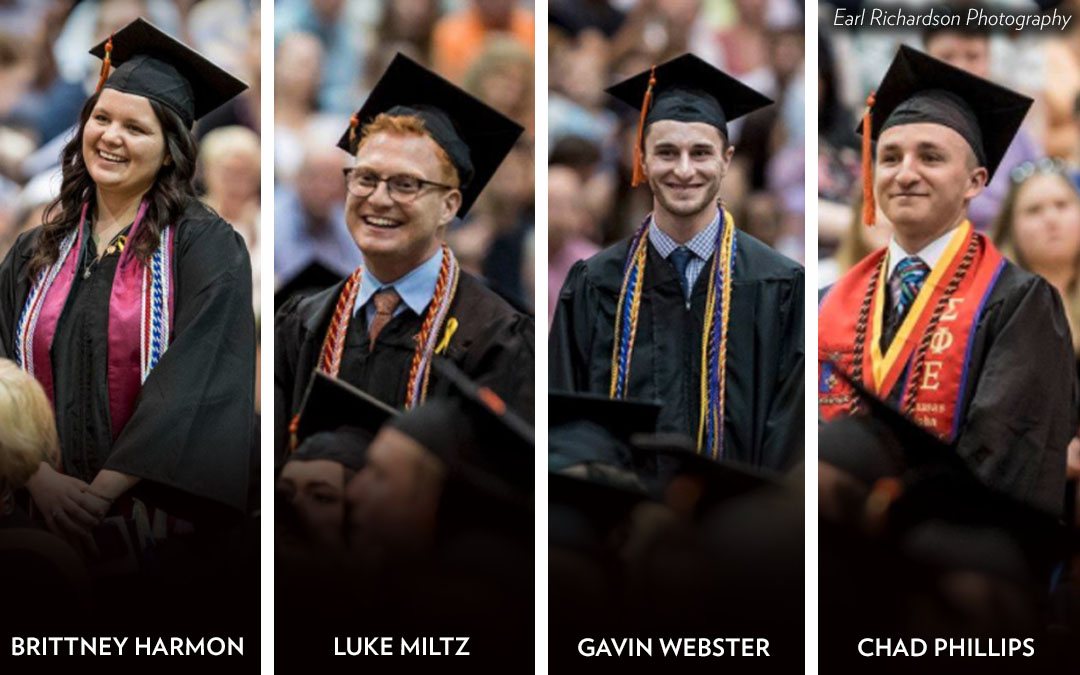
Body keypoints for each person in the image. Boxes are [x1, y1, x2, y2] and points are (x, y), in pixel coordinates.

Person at [0, 18, 255, 552]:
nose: (111, 136)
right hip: (34, 518)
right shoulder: (35, 251)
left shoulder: (204, 247)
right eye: (102, 118)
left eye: (136, 128)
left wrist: (98, 498)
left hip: (155, 537)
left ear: (171, 150)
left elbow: (196, 384)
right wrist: (37, 479)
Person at [818, 46, 1077, 516]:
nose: (905, 173)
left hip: (949, 558)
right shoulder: (824, 305)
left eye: (930, 157)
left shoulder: (1019, 304)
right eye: (890, 157)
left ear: (975, 182)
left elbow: (1009, 458)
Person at [549, 53, 805, 470]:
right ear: (643, 160)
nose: (684, 170)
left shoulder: (779, 285)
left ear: (727, 159)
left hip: (739, 522)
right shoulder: (593, 284)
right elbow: (566, 431)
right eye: (667, 153)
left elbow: (791, 438)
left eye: (701, 153)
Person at [275, 53, 535, 458]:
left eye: (405, 184)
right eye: (365, 178)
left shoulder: (496, 336)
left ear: (449, 206)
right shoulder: (303, 322)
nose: (378, 199)